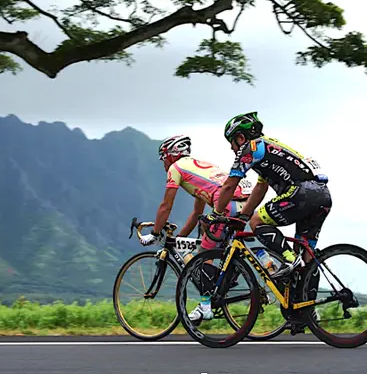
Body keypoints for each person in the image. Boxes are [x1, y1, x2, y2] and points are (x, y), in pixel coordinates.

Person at [201, 112, 332, 328]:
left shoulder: (250, 149)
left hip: (302, 193)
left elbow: (229, 185)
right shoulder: (268, 149)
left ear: (241, 138)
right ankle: (306, 312)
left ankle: (288, 259)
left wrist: (216, 214)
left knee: (257, 223)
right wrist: (241, 216)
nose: (232, 148)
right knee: (307, 258)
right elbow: (260, 188)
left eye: (232, 142)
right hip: (322, 196)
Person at [138, 134, 253, 321]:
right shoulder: (198, 167)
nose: (163, 164)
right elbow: (196, 213)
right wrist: (178, 238)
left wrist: (154, 233)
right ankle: (227, 280)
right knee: (209, 234)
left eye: (164, 158)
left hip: (225, 205)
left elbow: (166, 205)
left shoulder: (176, 169)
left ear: (172, 155)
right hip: (244, 204)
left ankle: (205, 306)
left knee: (203, 255)